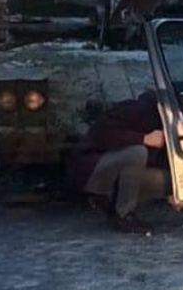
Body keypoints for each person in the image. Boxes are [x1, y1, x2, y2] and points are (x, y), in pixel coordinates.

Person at [68, 89, 177, 233]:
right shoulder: (134, 109)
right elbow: (102, 135)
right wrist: (143, 139)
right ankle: (123, 215)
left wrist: (177, 192)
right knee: (137, 152)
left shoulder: (169, 124)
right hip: (92, 169)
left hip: (120, 174)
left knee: (170, 180)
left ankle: (113, 202)